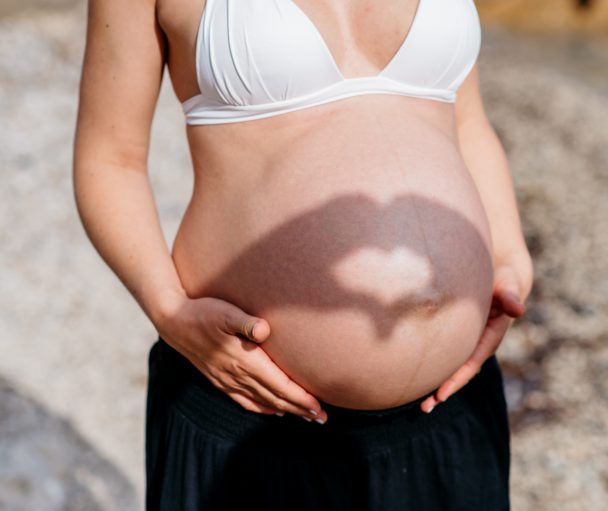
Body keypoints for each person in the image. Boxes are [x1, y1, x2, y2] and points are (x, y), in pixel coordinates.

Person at [73, 0, 533, 509]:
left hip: (450, 408)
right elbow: (109, 161)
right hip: (256, 412)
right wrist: (168, 311)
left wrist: (509, 258)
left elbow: (465, 120)